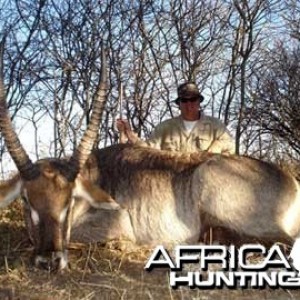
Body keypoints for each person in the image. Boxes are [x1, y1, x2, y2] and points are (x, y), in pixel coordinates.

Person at [116, 82, 235, 155]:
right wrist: (129, 133)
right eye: (184, 101)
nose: (189, 105)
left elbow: (230, 146)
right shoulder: (165, 128)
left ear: (199, 101)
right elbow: (148, 151)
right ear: (179, 104)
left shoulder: (215, 125)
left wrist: (214, 150)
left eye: (193, 100)